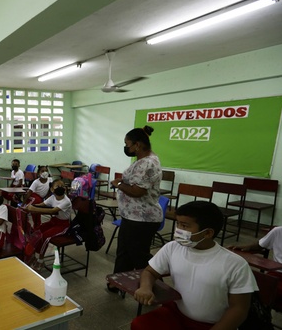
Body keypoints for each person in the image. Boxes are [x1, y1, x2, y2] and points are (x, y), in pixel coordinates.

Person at [132, 201, 257, 330]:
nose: (178, 230)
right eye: (178, 224)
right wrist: (145, 287)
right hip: (177, 314)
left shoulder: (235, 264)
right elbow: (150, 272)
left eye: (185, 226)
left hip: (212, 324)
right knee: (139, 325)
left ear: (208, 233)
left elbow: (239, 309)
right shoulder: (172, 248)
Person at [108, 125, 162, 291]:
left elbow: (137, 191)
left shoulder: (147, 163)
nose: (126, 148)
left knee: (139, 256)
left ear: (137, 145)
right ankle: (117, 283)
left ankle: (158, 288)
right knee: (124, 253)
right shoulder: (143, 161)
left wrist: (118, 184)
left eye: (128, 144)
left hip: (142, 219)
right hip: (132, 217)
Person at [24, 179, 72, 271]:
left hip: (63, 225)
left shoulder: (66, 201)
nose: (60, 188)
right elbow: (41, 205)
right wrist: (30, 207)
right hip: (53, 221)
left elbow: (52, 211)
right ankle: (33, 255)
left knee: (46, 237)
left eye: (62, 186)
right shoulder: (52, 197)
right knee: (37, 232)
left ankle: (40, 260)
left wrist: (33, 209)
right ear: (52, 189)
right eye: (57, 186)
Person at [229, 226, 282, 304]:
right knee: (253, 288)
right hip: (277, 273)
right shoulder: (278, 231)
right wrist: (248, 247)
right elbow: (260, 244)